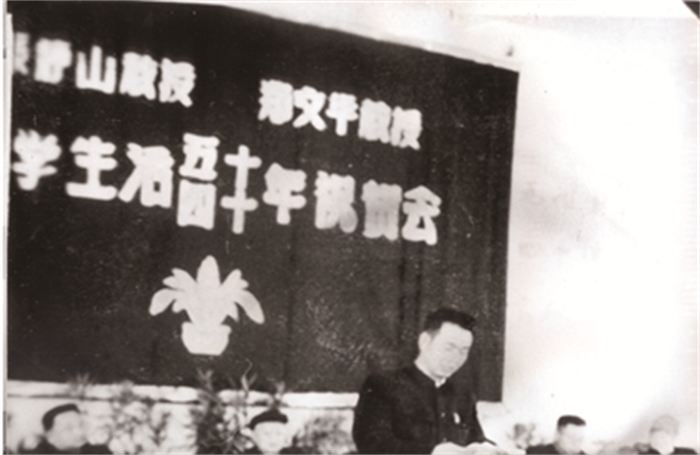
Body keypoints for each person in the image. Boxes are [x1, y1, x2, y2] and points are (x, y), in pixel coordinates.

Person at [352, 307, 506, 455]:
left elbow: (475, 440)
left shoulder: (463, 395)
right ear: (424, 341)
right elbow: (371, 444)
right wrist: (430, 453)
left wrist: (488, 449)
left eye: (463, 351)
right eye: (449, 348)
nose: (456, 358)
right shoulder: (383, 384)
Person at [21, 403, 112, 455]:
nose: (79, 433)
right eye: (68, 428)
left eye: (81, 425)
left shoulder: (99, 452)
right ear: (49, 435)